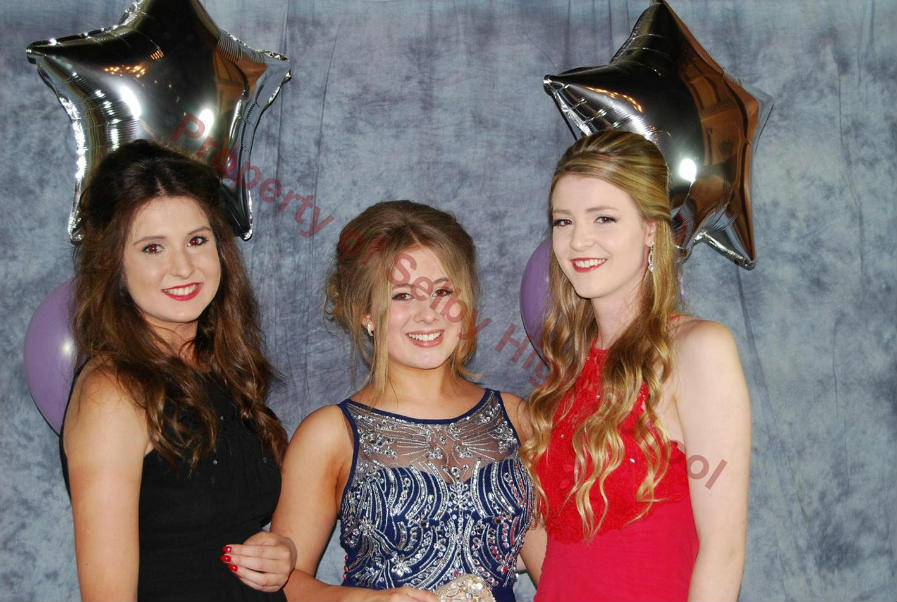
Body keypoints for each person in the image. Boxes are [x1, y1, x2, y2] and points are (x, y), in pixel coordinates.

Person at [520, 131, 751, 601]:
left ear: (650, 228)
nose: (578, 240)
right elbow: (566, 555)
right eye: (563, 221)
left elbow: (723, 551)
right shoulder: (568, 370)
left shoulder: (698, 350)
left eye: (603, 218)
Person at [61, 139, 296, 601]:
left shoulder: (220, 366)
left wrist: (279, 552)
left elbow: (218, 532)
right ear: (113, 263)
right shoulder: (112, 391)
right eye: (153, 248)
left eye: (196, 240)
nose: (183, 267)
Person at [272, 201, 541, 602]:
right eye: (401, 296)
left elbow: (557, 573)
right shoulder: (329, 433)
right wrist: (367, 601)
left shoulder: (516, 417)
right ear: (365, 313)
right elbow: (284, 583)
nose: (428, 314)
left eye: (442, 291)